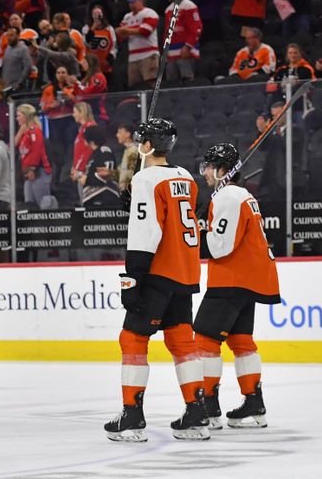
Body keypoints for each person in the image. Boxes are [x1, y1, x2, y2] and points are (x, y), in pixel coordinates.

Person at [104, 118, 207, 443]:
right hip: (185, 272)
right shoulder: (186, 177)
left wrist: (133, 275)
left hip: (157, 272)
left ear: (147, 145)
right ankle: (196, 413)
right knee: (181, 341)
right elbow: (173, 220)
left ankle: (132, 416)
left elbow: (147, 231)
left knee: (132, 339)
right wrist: (134, 205)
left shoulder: (146, 178)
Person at [194, 143, 279, 430]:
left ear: (221, 170)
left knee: (205, 341)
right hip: (247, 278)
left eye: (208, 167)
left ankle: (208, 408)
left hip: (231, 279)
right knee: (242, 342)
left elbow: (220, 247)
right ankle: (254, 406)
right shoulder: (241, 195)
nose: (204, 173)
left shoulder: (229, 197)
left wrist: (194, 237)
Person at [116, 0, 159, 88]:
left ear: (141, 1)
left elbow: (145, 31)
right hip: (133, 57)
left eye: (133, 2)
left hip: (148, 54)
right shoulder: (127, 17)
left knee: (150, 83)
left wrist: (126, 30)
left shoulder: (149, 13)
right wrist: (120, 32)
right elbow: (121, 35)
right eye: (130, 2)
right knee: (134, 86)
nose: (131, 5)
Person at [163, 0, 202, 83]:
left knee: (187, 79)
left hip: (185, 51)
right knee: (171, 82)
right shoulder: (168, 9)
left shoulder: (189, 6)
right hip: (171, 52)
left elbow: (196, 28)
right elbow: (167, 32)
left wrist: (188, 46)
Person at [15, 104, 51, 206]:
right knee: (29, 204)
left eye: (19, 116)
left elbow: (37, 151)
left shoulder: (35, 130)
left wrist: (32, 169)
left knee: (43, 203)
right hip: (28, 173)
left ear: (26, 116)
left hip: (38, 172)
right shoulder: (25, 133)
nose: (17, 118)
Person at [79, 126, 121, 208]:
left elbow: (107, 176)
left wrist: (86, 179)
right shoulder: (94, 154)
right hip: (92, 198)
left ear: (91, 141)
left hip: (104, 197)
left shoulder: (105, 152)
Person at [82, 4, 117, 76]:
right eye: (94, 14)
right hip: (91, 63)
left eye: (98, 14)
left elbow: (113, 46)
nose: (97, 16)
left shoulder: (109, 28)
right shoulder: (86, 28)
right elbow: (85, 43)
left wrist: (109, 60)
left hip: (105, 63)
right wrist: (93, 28)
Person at [115, 122, 138, 192]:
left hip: (130, 191)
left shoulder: (133, 150)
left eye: (119, 132)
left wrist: (125, 186)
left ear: (128, 134)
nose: (117, 135)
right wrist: (109, 173)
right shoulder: (128, 150)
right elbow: (121, 171)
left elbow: (131, 172)